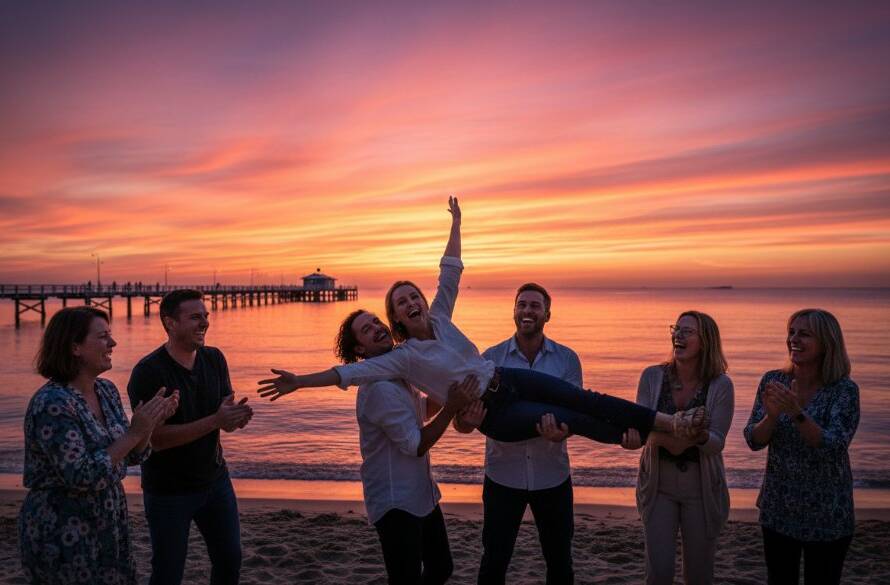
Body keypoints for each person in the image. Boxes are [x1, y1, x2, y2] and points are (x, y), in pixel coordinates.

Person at [259, 197, 707, 446]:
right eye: (401, 302)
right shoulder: (403, 360)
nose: (412, 301)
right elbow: (349, 373)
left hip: (505, 377)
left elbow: (450, 270)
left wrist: (458, 221)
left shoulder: (441, 317)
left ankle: (667, 424)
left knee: (583, 397)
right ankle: (644, 437)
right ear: (396, 316)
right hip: (496, 412)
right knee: (565, 415)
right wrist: (300, 381)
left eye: (413, 294)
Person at [19, 307, 178, 585]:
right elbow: (81, 475)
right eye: (103, 337)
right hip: (64, 528)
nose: (113, 344)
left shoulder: (106, 390)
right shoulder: (53, 403)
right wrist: (134, 432)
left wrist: (150, 423)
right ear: (75, 347)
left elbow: (130, 457)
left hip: (109, 521)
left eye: (111, 336)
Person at [453, 282, 581, 585]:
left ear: (547, 314)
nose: (527, 310)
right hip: (502, 477)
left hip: (553, 476)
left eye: (535, 305)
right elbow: (460, 423)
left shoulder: (567, 359)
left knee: (560, 560)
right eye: (522, 304)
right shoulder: (490, 360)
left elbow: (575, 416)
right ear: (513, 311)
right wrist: (469, 422)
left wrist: (561, 433)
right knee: (494, 560)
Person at [337, 309, 477, 585]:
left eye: (376, 321)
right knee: (405, 578)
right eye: (367, 330)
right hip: (395, 502)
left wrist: (450, 390)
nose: (377, 328)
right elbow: (415, 445)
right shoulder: (378, 388)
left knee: (441, 567)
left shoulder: (398, 373)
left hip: (421, 493)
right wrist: (452, 407)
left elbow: (420, 410)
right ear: (359, 349)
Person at [127, 289, 253, 585]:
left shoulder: (214, 359)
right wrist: (216, 420)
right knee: (168, 571)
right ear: (170, 323)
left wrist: (234, 420)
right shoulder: (148, 372)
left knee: (230, 559)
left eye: (206, 316)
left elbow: (223, 420)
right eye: (195, 317)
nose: (205, 323)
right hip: (169, 491)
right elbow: (155, 439)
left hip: (216, 480)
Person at [743, 308, 859, 585]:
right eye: (791, 332)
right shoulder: (774, 381)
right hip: (778, 508)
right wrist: (771, 417)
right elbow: (753, 440)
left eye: (804, 334)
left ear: (826, 343)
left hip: (828, 513)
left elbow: (834, 445)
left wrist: (796, 413)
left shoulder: (843, 390)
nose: (794, 339)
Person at [621, 311, 733, 585]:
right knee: (658, 572)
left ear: (705, 341)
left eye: (686, 331)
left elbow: (716, 443)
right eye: (676, 329)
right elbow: (645, 429)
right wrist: (684, 430)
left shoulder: (721, 385)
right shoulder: (652, 377)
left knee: (699, 572)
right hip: (658, 484)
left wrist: (668, 432)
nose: (677, 336)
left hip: (701, 486)